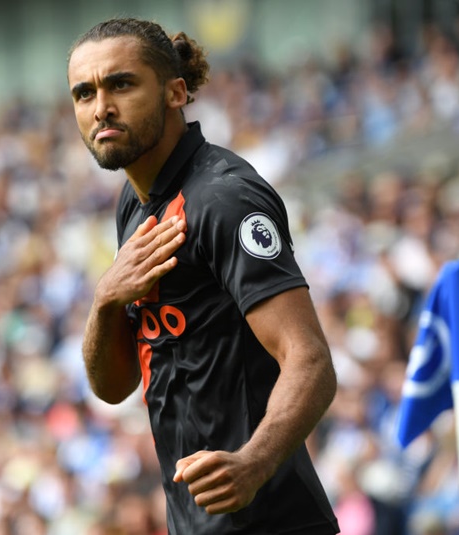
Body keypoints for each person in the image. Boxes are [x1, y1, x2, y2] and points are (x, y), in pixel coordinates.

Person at [67, 17, 340, 534]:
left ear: (175, 93)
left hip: (273, 522)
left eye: (121, 84)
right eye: (84, 93)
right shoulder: (134, 204)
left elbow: (311, 360)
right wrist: (105, 300)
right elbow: (113, 386)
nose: (100, 107)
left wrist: (254, 462)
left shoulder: (223, 198)